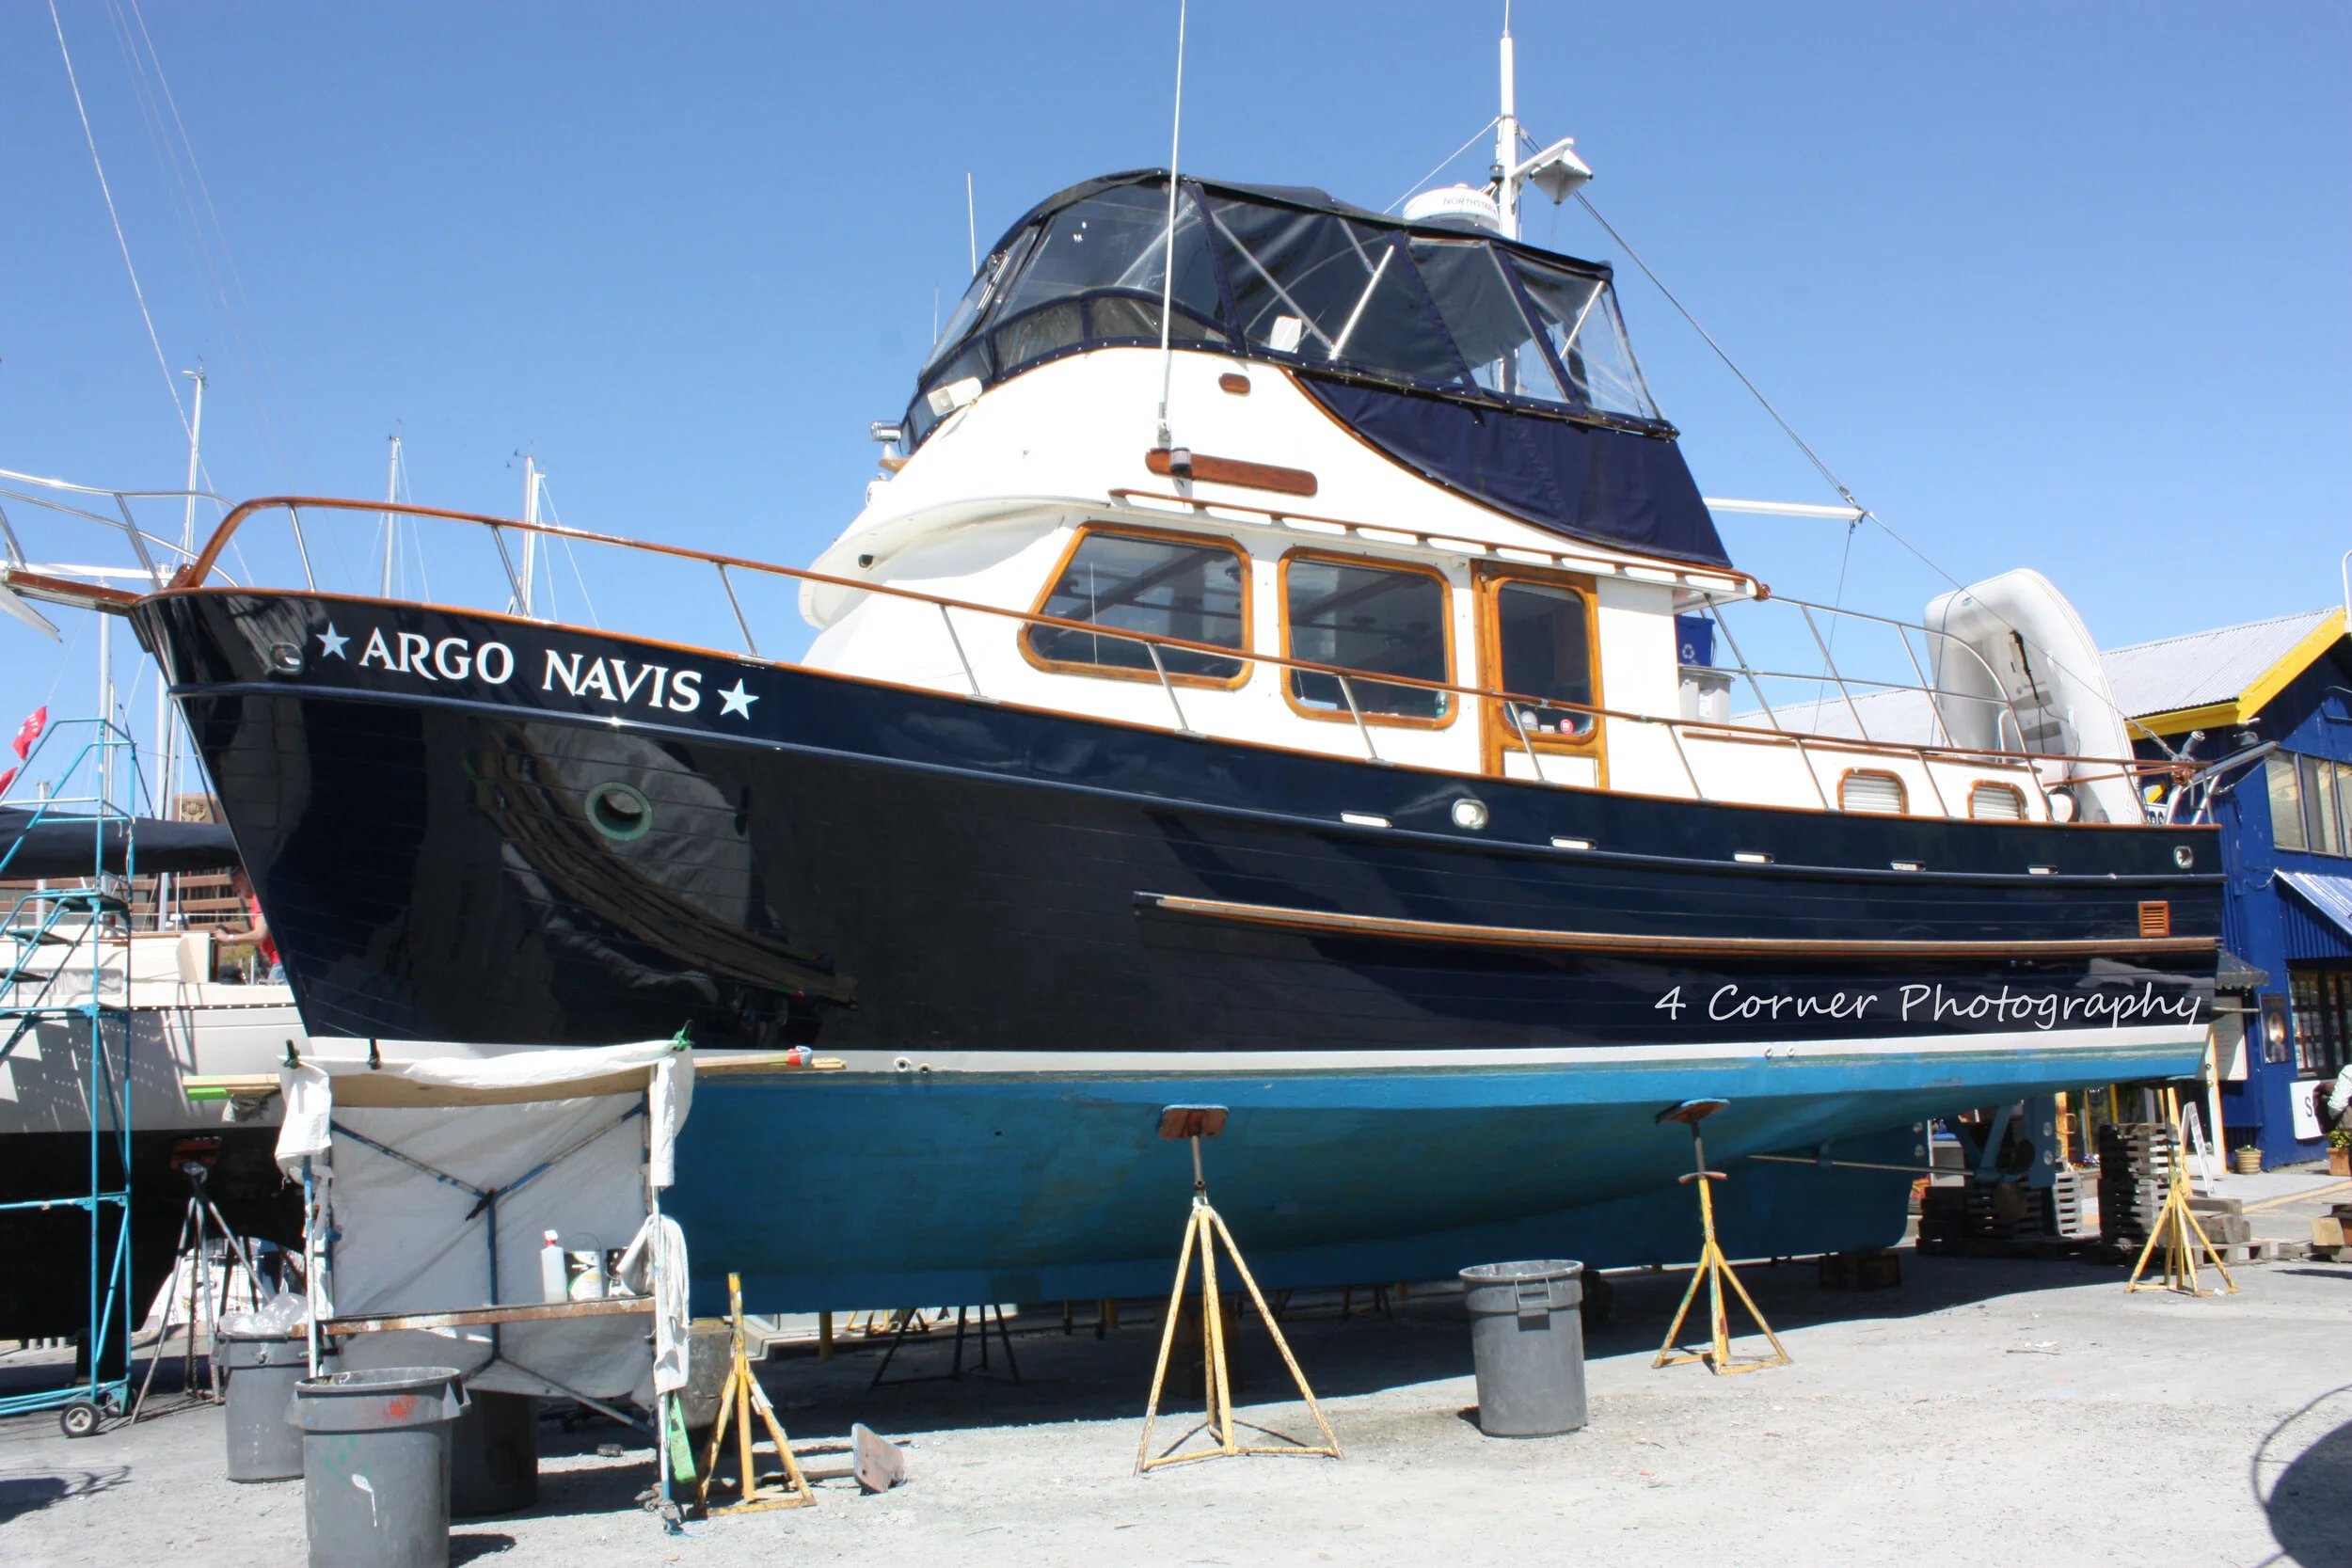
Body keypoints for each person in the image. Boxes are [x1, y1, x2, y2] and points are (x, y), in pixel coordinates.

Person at [215, 867, 282, 984]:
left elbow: (259, 935)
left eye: (236, 880)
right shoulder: (260, 897)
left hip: (280, 963)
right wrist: (237, 934)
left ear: (247, 877)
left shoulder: (259, 898)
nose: (234, 886)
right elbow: (261, 938)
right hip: (280, 962)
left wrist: (228, 938)